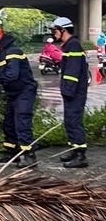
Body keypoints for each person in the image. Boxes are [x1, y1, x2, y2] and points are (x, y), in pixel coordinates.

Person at [0, 26, 38, 168]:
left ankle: (29, 156)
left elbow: (12, 74)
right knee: (9, 123)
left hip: (24, 92)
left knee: (22, 122)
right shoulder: (0, 56)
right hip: (14, 93)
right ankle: (12, 152)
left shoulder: (13, 52)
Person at [50, 17, 89, 168]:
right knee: (69, 121)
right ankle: (74, 149)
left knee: (74, 122)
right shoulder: (69, 45)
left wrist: (67, 91)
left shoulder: (73, 46)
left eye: (55, 31)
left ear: (63, 30)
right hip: (71, 92)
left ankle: (80, 156)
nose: (54, 34)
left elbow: (72, 73)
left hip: (74, 93)